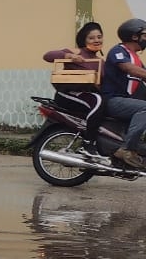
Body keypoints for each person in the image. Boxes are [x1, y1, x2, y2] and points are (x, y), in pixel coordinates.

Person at [45, 22, 105, 151]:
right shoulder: (76, 52)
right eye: (91, 38)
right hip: (67, 94)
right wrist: (69, 56)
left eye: (99, 37)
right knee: (98, 101)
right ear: (84, 40)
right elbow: (48, 56)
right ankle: (89, 143)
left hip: (87, 95)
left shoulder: (100, 61)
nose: (96, 40)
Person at [100, 18, 146, 169]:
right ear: (134, 36)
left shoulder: (136, 58)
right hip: (113, 100)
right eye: (144, 35)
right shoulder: (118, 51)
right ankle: (127, 150)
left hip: (126, 101)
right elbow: (130, 69)